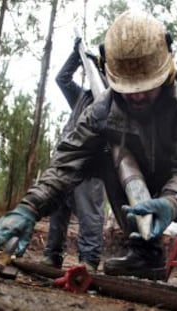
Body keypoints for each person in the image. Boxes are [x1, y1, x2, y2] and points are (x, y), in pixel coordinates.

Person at [0, 10, 177, 297]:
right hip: (137, 190)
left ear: (166, 69)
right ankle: (145, 254)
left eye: (145, 86)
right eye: (129, 88)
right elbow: (66, 162)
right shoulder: (102, 110)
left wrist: (170, 201)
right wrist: (28, 208)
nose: (138, 95)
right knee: (106, 151)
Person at [40, 39, 106, 272]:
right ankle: (52, 254)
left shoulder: (112, 98)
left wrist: (99, 69)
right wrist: (76, 55)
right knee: (58, 209)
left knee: (90, 213)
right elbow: (62, 79)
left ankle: (88, 261)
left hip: (91, 164)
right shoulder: (82, 97)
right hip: (66, 161)